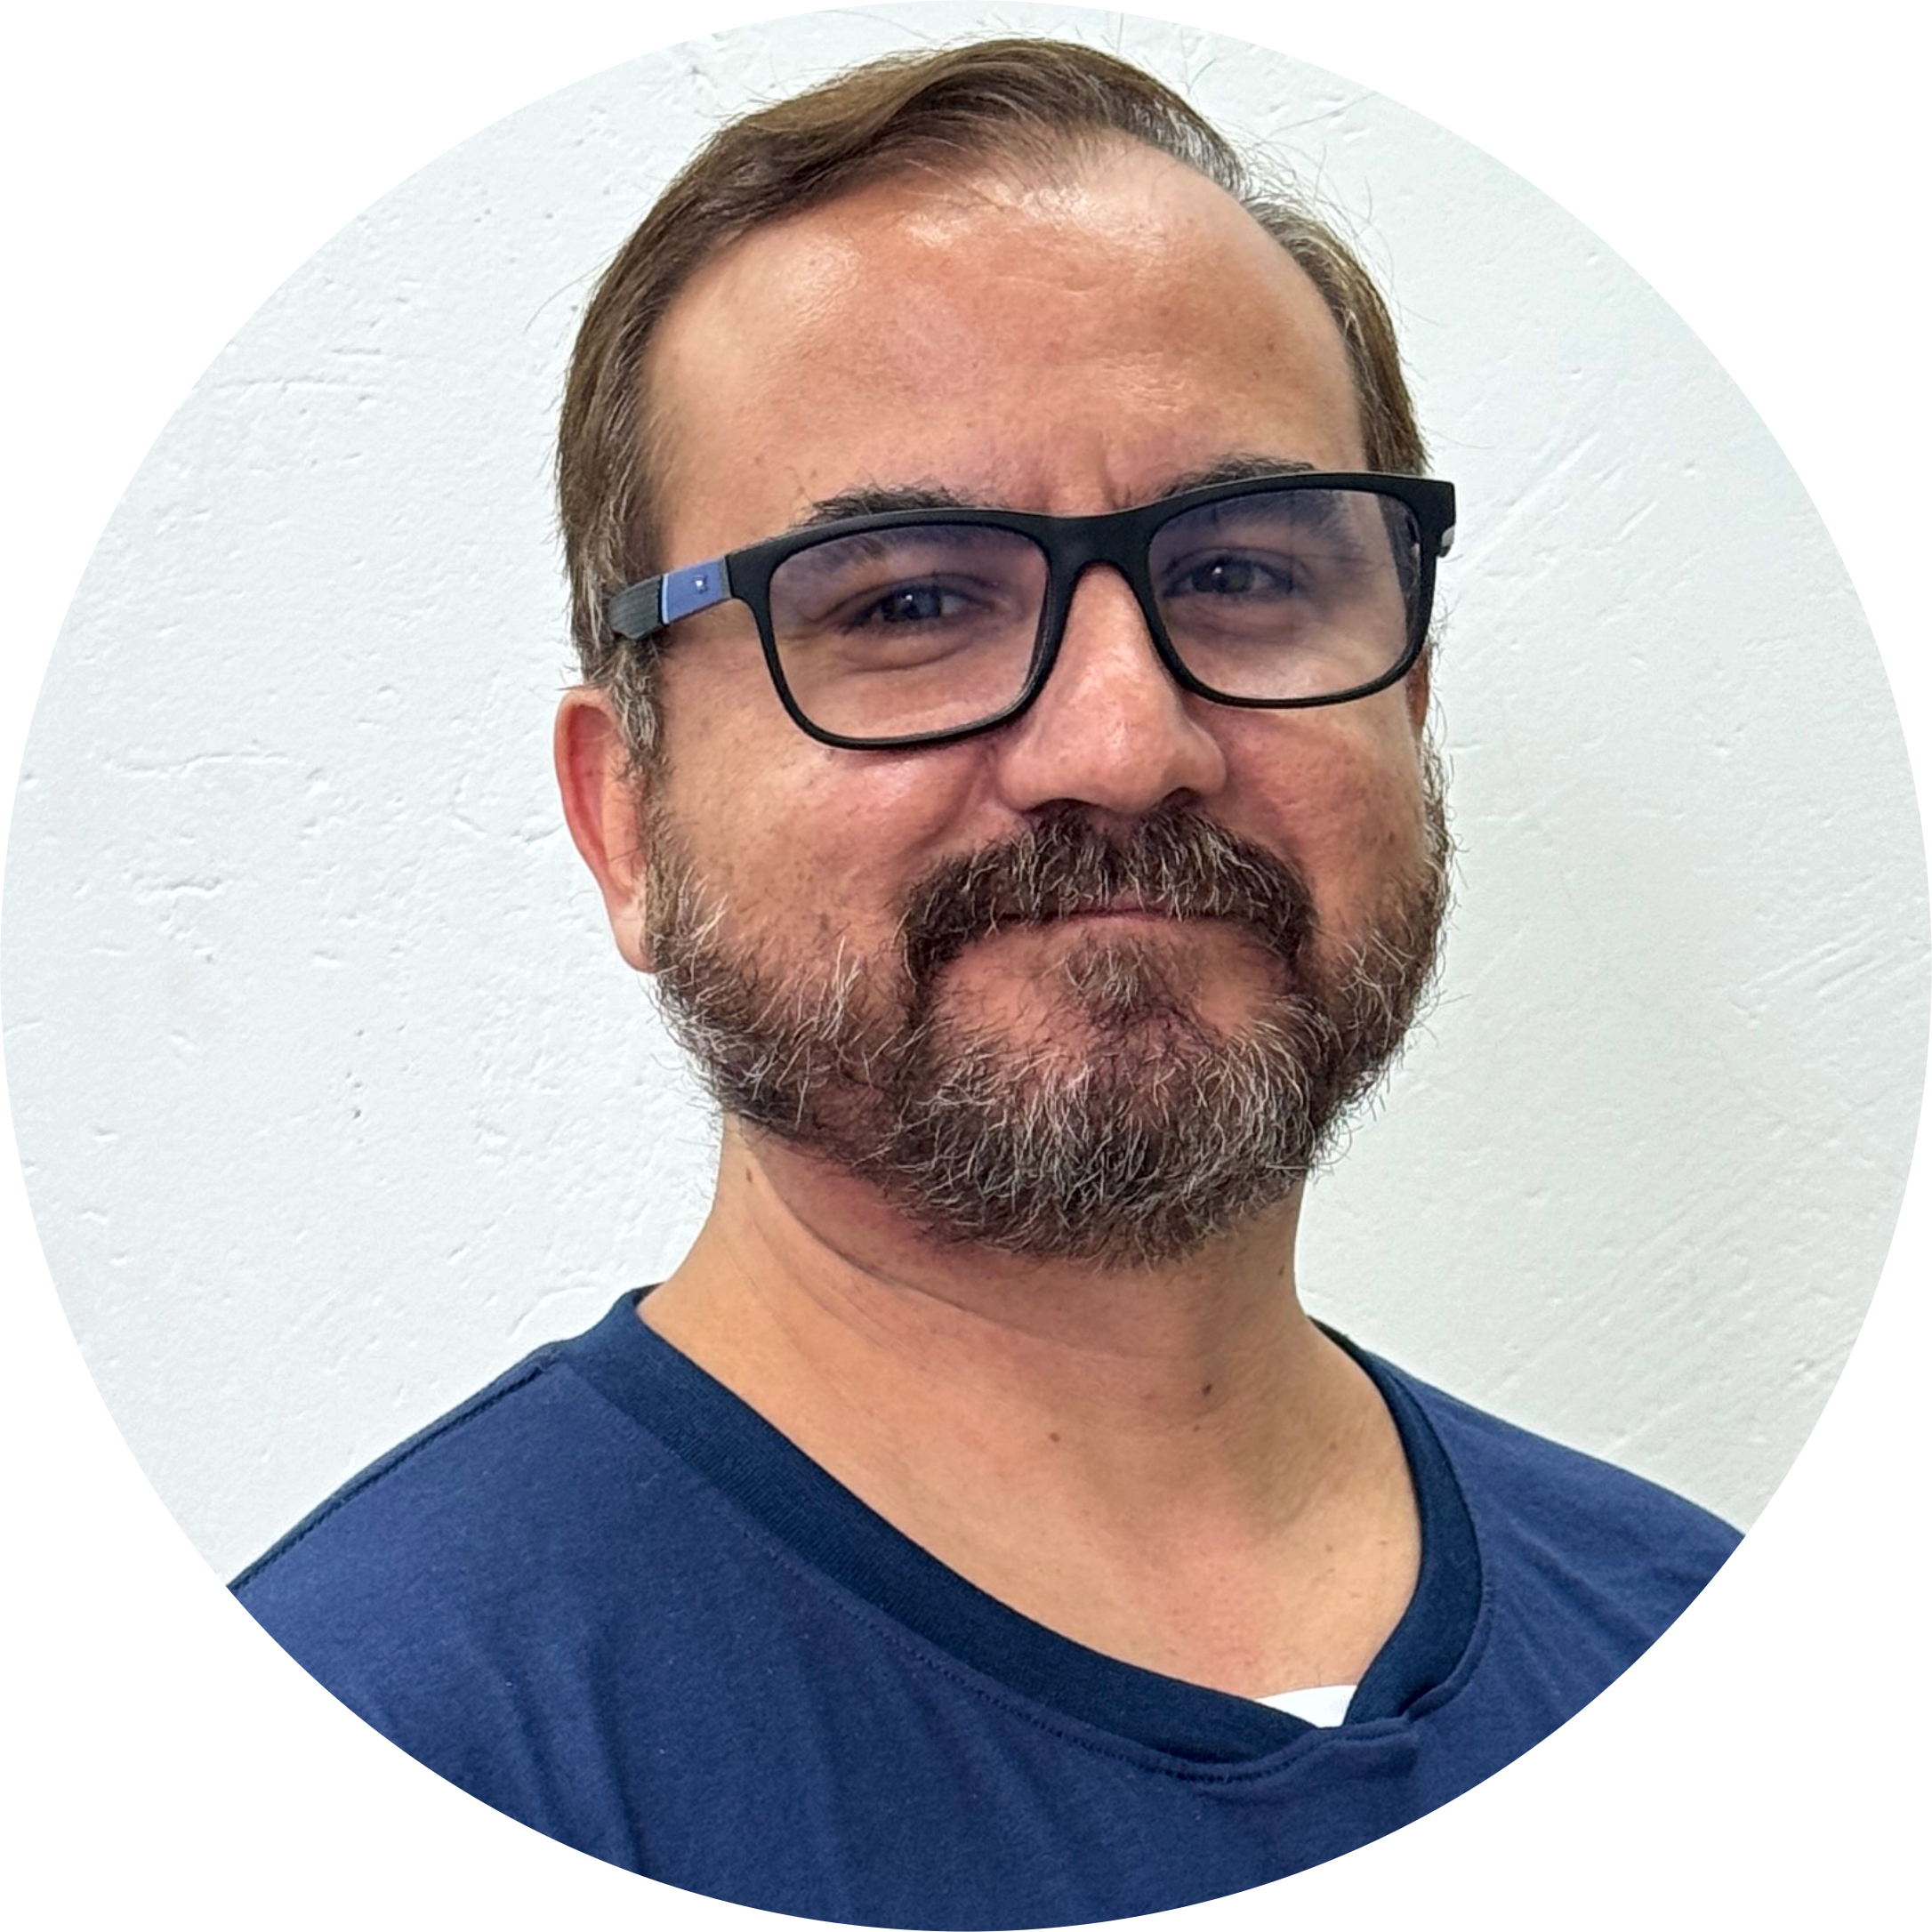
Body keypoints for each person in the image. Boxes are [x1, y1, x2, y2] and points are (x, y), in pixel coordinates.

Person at [234, 37, 1737, 1927]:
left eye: (1246, 575)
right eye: (907, 602)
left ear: (1411, 711)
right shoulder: (353, 1763)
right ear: (627, 822)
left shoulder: (1715, 1656)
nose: (1125, 741)